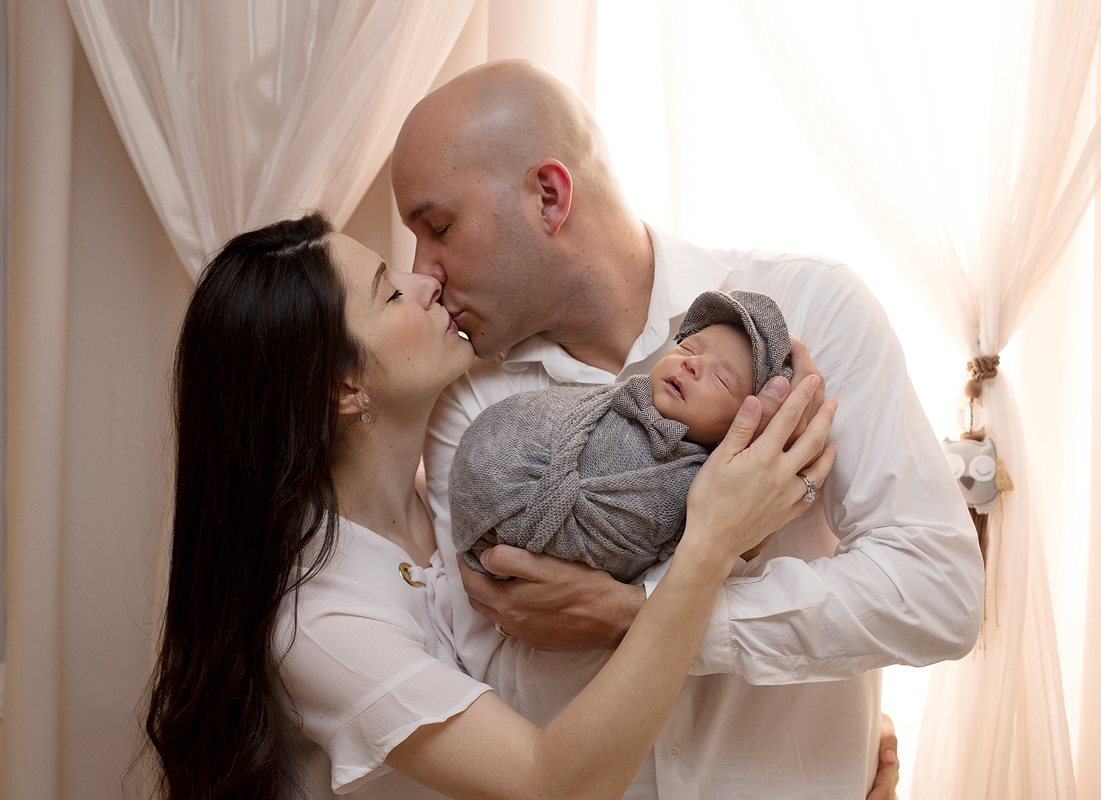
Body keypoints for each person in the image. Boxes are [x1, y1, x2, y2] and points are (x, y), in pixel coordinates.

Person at [395, 60, 985, 799]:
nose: (424, 272)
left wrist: (631, 613)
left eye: (439, 227)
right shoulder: (469, 410)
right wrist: (711, 552)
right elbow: (504, 675)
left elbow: (939, 595)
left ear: (549, 196)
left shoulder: (814, 309)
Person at [143, 213, 837, 800]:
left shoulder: (479, 501)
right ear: (343, 389)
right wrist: (710, 547)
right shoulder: (320, 619)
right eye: (389, 294)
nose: (426, 282)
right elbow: (556, 782)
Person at [452, 289, 795, 583]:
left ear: (744, 426)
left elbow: (678, 570)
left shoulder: (703, 487)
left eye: (721, 379)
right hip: (494, 489)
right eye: (689, 349)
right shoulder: (614, 399)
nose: (692, 364)